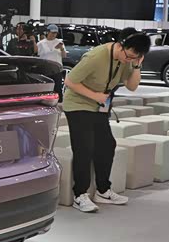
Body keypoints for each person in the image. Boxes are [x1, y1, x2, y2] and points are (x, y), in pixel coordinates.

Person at [63, 32, 151, 213]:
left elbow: (132, 86)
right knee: (84, 148)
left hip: (99, 107)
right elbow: (70, 81)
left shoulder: (128, 59)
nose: (129, 60)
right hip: (78, 104)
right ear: (121, 45)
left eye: (134, 58)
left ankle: (103, 190)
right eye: (129, 56)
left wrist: (136, 66)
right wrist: (95, 96)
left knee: (107, 145)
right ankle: (80, 194)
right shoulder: (96, 56)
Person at [37, 24, 67, 100]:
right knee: (46, 87)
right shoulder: (41, 43)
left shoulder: (59, 42)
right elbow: (38, 55)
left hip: (57, 68)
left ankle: (58, 101)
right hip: (45, 68)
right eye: (52, 32)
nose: (54, 35)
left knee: (57, 87)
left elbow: (64, 56)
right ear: (48, 32)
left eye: (55, 33)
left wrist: (62, 49)